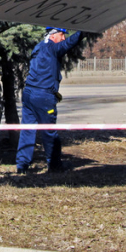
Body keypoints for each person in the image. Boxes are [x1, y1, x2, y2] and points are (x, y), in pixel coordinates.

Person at [16, 26, 83, 174]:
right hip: (43, 96)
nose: (63, 38)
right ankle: (54, 166)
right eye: (61, 35)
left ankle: (22, 166)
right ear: (53, 36)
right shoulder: (53, 47)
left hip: (28, 94)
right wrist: (83, 31)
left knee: (27, 130)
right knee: (49, 131)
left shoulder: (39, 46)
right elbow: (69, 43)